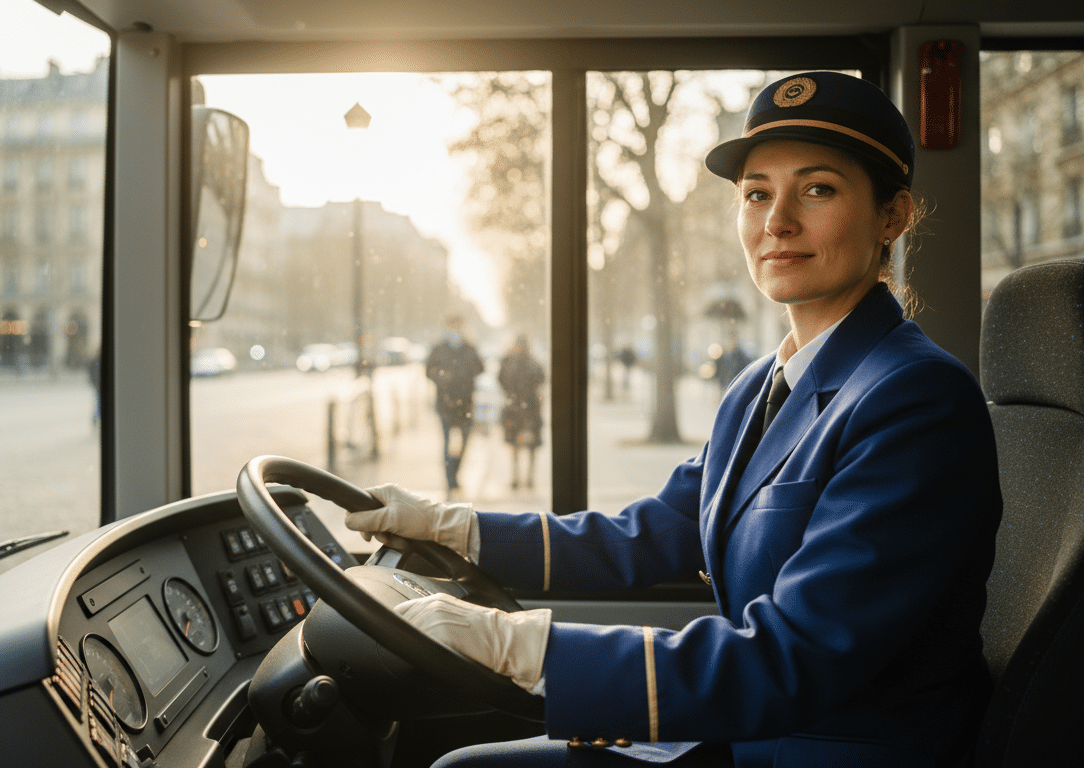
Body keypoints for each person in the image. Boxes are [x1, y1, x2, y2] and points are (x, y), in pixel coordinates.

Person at [349, 72, 1002, 767]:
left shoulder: (916, 398)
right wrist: (455, 529)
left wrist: (519, 645)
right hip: (752, 731)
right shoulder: (759, 383)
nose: (776, 220)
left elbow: (797, 657)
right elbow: (648, 535)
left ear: (894, 216)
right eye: (756, 193)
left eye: (817, 189)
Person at [425, 316, 484, 495]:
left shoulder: (469, 347)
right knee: (447, 442)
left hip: (464, 403)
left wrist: (465, 379)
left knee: (464, 441)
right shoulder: (440, 348)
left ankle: (455, 474)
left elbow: (480, 368)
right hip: (446, 403)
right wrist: (443, 380)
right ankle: (450, 480)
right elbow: (428, 371)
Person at [497, 334, 546, 490]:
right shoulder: (524, 363)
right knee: (517, 447)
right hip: (522, 408)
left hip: (523, 408)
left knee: (526, 446)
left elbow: (502, 380)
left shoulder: (525, 363)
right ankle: (519, 476)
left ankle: (526, 477)